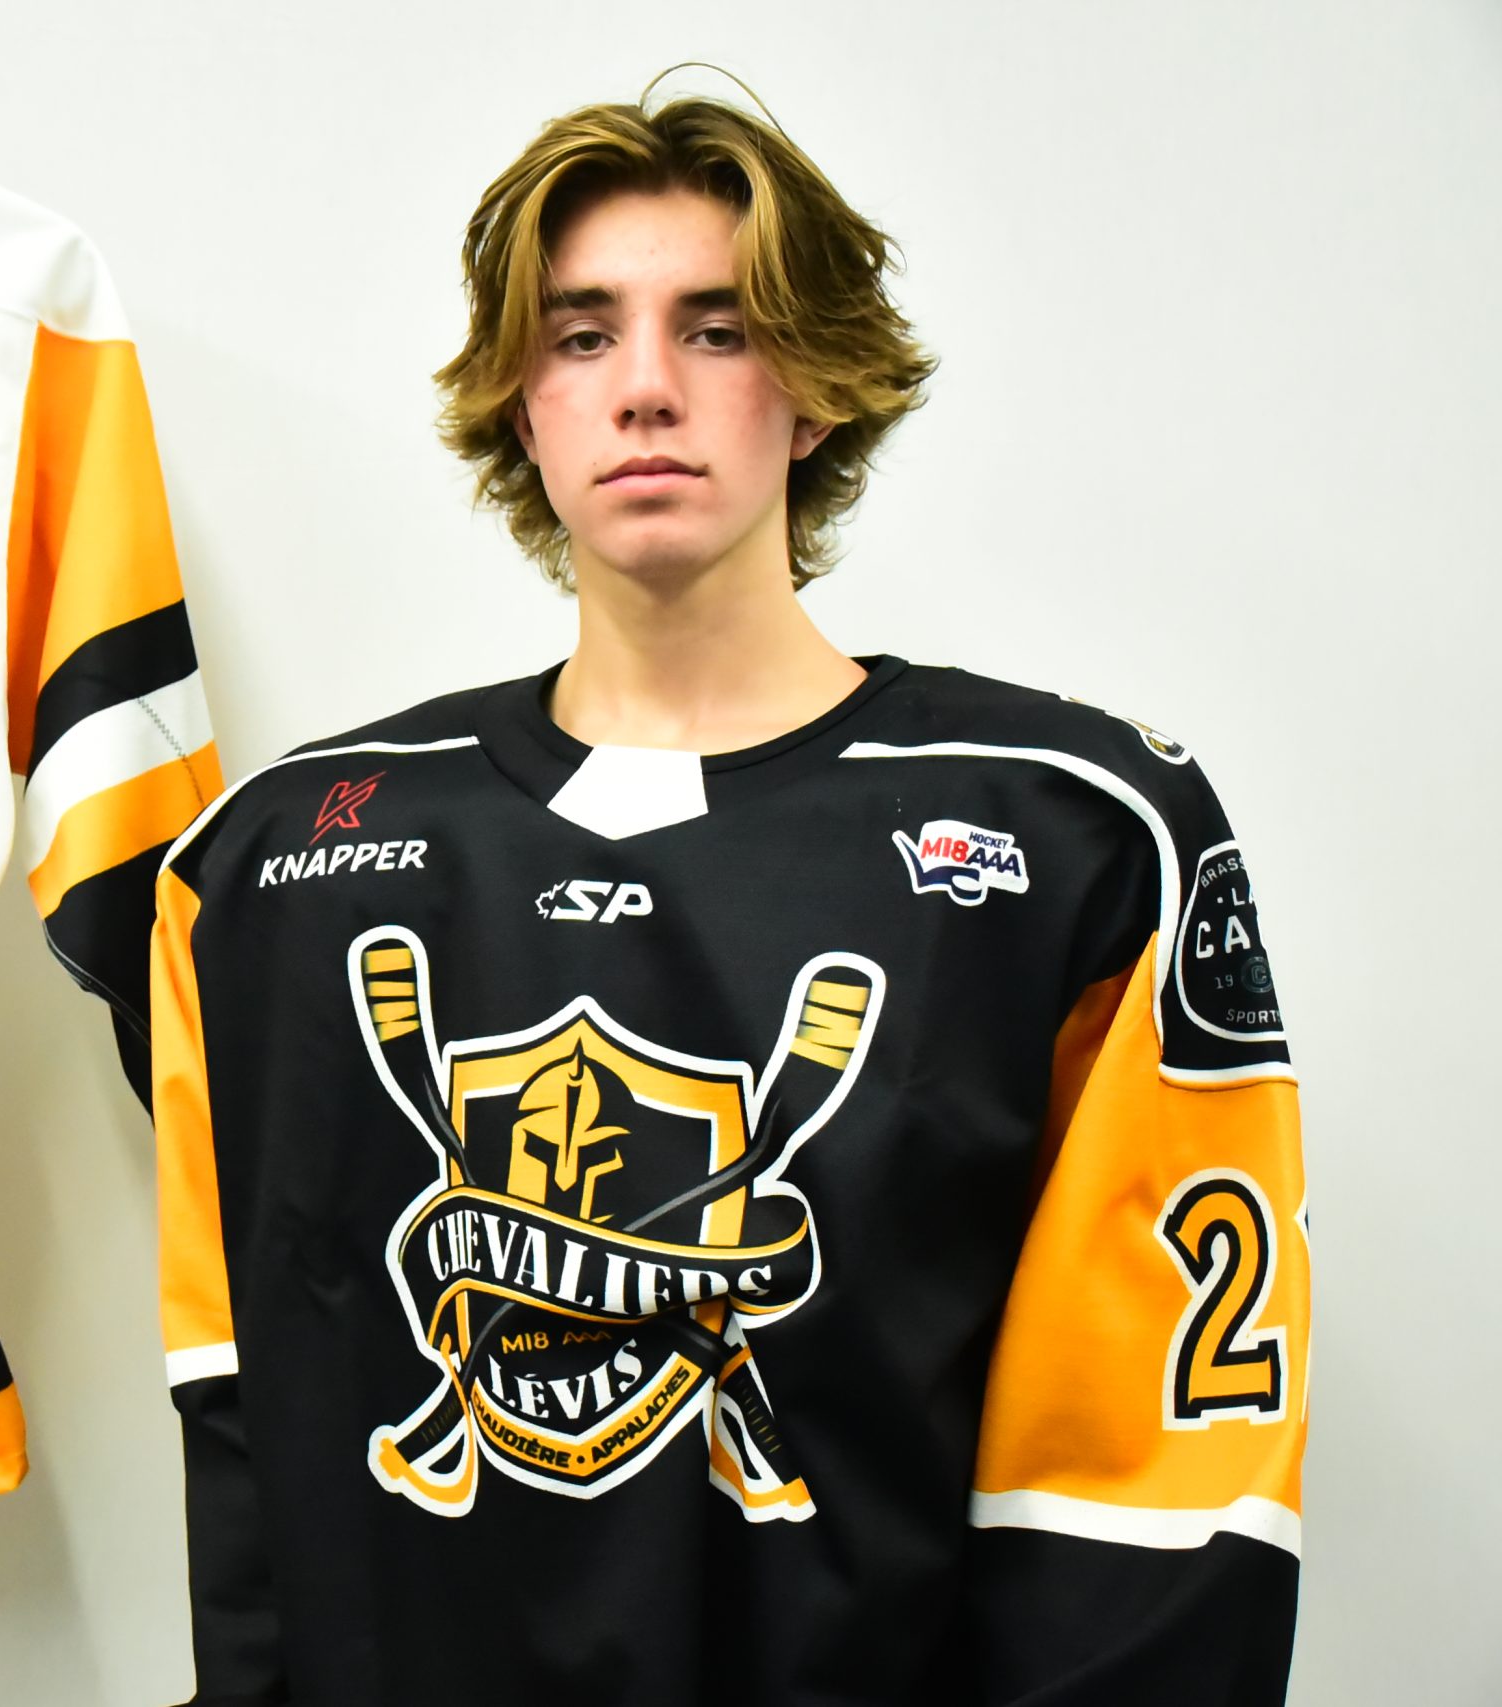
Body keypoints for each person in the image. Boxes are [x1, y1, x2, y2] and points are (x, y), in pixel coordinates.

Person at [150, 78, 1306, 1705]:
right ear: (521, 403)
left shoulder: (1078, 836)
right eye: (580, 336)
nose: (644, 389)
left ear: (815, 389)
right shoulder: (269, 870)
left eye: (717, 330)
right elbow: (243, 1429)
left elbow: (1152, 1489)